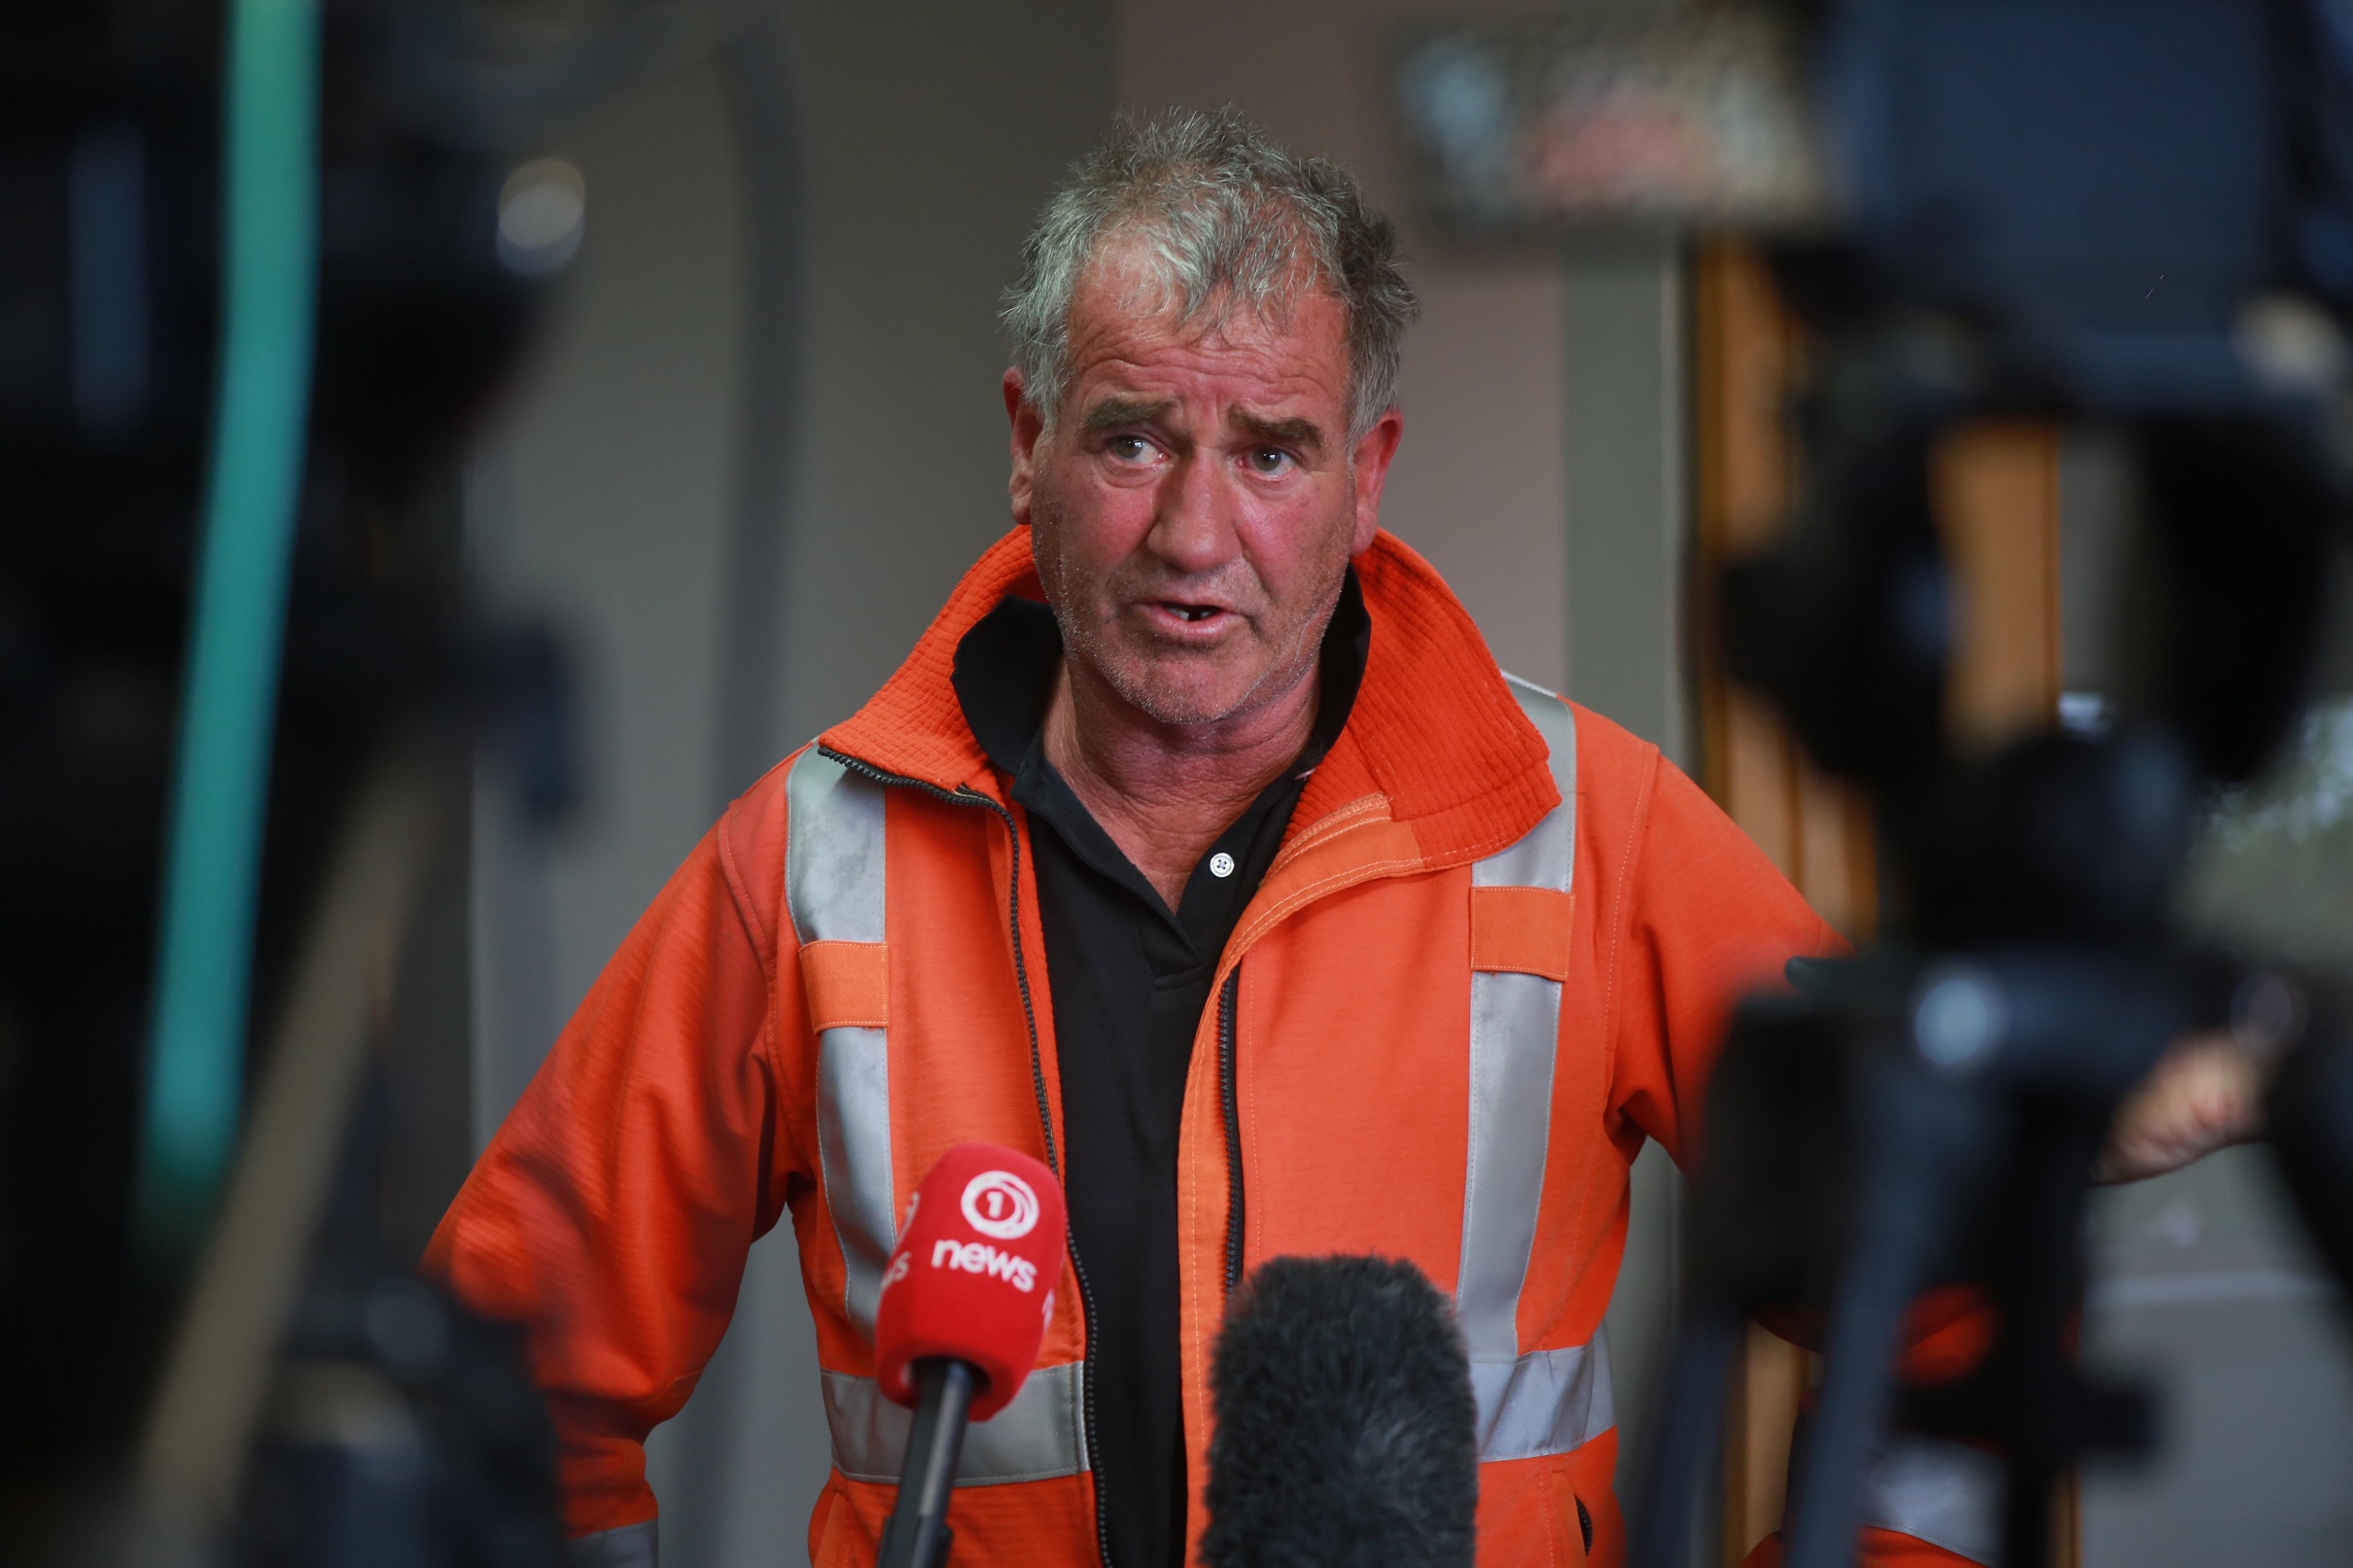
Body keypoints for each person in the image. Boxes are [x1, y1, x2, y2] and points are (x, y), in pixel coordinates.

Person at [425, 109, 2260, 1568]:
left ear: (1369, 473)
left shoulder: (1582, 822)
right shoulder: (808, 859)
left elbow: (1947, 1311)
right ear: (1026, 441)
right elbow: (498, 1387)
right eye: (1134, 439)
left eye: (1275, 452)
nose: (1196, 537)